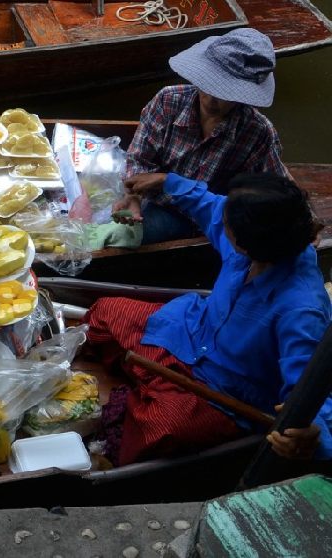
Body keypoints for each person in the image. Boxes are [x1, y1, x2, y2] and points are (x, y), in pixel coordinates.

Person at [87, 171, 331, 466]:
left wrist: (307, 436)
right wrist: (167, 182)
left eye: (226, 224)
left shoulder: (302, 310)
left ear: (243, 244)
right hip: (189, 333)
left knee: (159, 428)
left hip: (222, 393)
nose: (220, 220)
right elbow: (210, 205)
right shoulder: (257, 238)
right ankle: (149, 389)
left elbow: (309, 390)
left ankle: (149, 396)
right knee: (106, 312)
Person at [114, 28, 288, 244]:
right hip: (158, 200)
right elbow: (139, 158)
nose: (213, 98)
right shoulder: (168, 101)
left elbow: (277, 189)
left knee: (128, 238)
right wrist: (133, 195)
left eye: (227, 92)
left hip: (207, 217)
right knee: (115, 226)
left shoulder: (258, 132)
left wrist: (306, 222)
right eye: (210, 83)